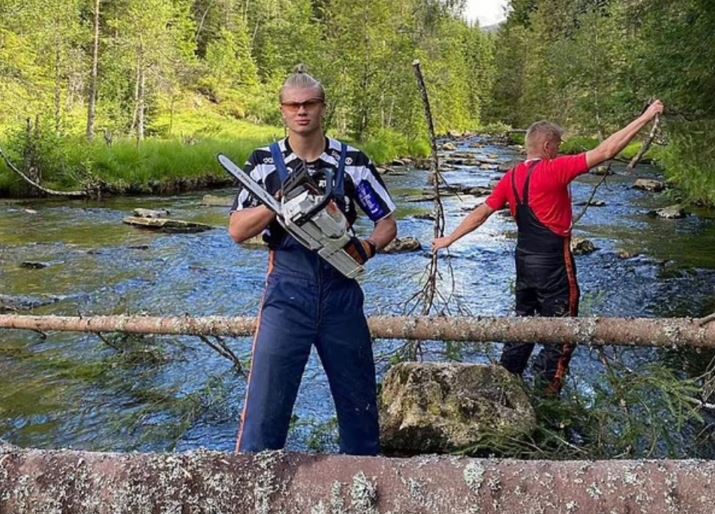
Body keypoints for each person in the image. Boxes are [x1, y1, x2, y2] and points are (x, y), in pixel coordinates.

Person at [432, 100, 664, 394]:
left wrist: (449, 239)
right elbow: (607, 150)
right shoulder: (555, 169)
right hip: (553, 262)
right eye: (558, 144)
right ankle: (547, 395)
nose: (560, 149)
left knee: (522, 324)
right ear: (546, 145)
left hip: (524, 263)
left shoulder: (511, 177)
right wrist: (646, 116)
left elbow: (481, 213)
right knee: (562, 331)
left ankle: (506, 383)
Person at [228, 66, 397, 454]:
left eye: (309, 104)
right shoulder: (263, 164)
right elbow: (237, 230)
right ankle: (254, 484)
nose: (301, 111)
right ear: (283, 111)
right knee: (265, 410)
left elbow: (386, 224)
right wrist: (278, 206)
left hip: (342, 293)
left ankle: (362, 481)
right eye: (293, 105)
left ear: (323, 108)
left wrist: (367, 249)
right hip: (287, 294)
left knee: (359, 406)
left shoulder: (352, 162)